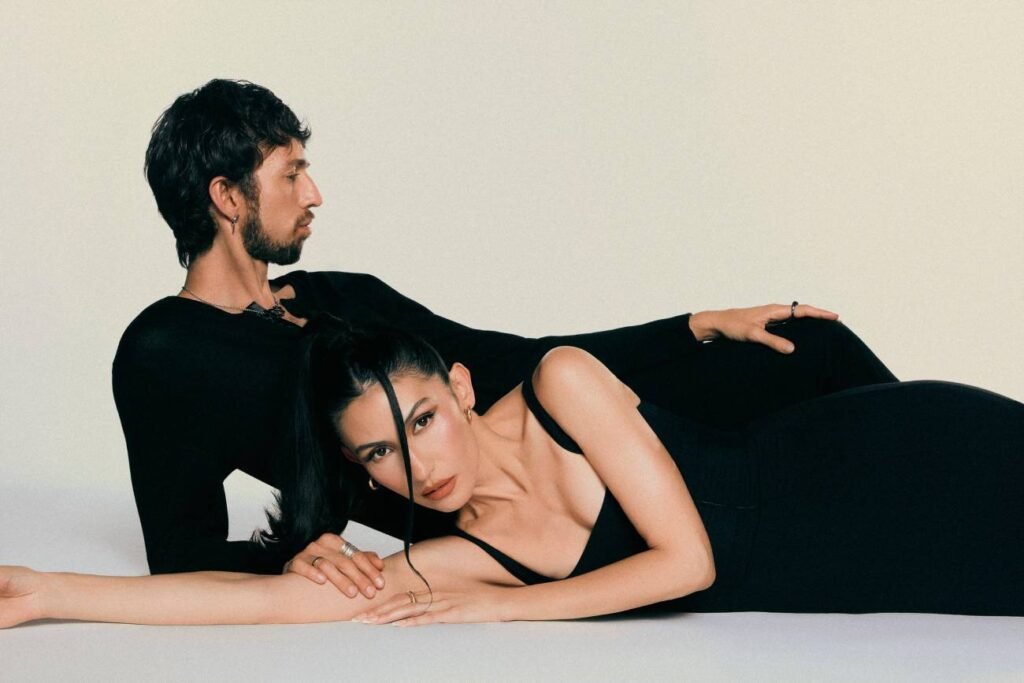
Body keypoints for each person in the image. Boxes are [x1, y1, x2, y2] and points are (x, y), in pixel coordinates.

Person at [116, 78, 896, 596]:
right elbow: (179, 552)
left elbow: (503, 358)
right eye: (290, 174)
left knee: (801, 346)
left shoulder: (335, 295)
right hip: (512, 517)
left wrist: (695, 328)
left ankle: (924, 478)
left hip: (566, 437)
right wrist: (296, 555)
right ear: (228, 196)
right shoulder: (167, 350)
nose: (314, 193)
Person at [3, 323, 1020, 628]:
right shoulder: (461, 552)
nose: (419, 464)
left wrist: (503, 610)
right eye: (381, 453)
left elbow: (690, 561)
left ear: (457, 385)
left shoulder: (561, 384)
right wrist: (51, 591)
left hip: (894, 458)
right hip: (879, 569)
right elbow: (274, 604)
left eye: (422, 421)